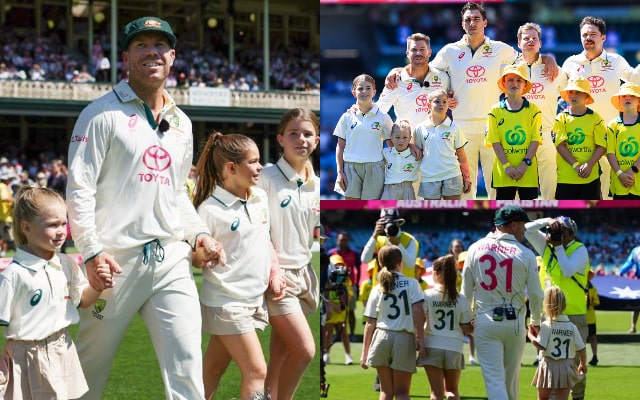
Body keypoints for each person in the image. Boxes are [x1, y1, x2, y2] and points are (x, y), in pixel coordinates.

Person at [66, 16, 226, 399]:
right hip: (113, 264)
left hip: (171, 259)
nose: (152, 52)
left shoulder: (182, 123)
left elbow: (176, 197)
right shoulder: (100, 113)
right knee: (87, 370)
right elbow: (79, 188)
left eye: (160, 45)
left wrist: (199, 233)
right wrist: (91, 252)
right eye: (142, 45)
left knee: (187, 367)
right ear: (125, 57)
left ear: (172, 57)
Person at [387, 2, 558, 199]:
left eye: (477, 18)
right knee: (465, 188)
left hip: (493, 127)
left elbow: (527, 57)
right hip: (462, 128)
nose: (472, 23)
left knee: (499, 188)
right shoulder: (450, 51)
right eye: (468, 19)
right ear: (462, 24)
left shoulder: (500, 49)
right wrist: (397, 70)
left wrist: (547, 58)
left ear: (485, 22)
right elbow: (423, 69)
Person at [192, 132, 286, 400]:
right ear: (232, 168)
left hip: (253, 300)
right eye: (254, 162)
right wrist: (202, 256)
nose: (261, 167)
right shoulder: (209, 209)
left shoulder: (258, 198)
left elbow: (264, 239)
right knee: (257, 370)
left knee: (212, 368)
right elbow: (194, 256)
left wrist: (274, 272)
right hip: (226, 302)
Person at [0, 187, 110, 399]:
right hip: (27, 356)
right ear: (26, 228)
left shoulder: (66, 264)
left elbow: (82, 300)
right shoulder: (13, 275)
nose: (61, 231)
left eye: (63, 223)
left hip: (63, 347)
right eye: (52, 225)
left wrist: (98, 285)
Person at [257, 108, 320, 400]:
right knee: (305, 351)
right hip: (276, 278)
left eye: (307, 134)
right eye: (293, 133)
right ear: (280, 139)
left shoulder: (318, 184)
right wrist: (273, 270)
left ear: (317, 141)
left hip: (304, 275)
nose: (301, 139)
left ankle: (265, 396)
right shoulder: (266, 177)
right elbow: (258, 231)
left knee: (281, 352)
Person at [462, 205, 544, 400]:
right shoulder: (526, 254)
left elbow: (465, 291)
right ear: (513, 225)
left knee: (494, 381)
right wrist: (536, 321)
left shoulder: (474, 248)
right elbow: (536, 294)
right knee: (510, 382)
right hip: (515, 322)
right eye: (523, 225)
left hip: (486, 320)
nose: (525, 230)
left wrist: (465, 319)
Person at [562, 16, 640, 200]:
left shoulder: (616, 61)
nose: (588, 38)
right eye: (584, 34)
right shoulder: (570, 63)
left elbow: (635, 79)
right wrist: (547, 59)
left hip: (611, 137)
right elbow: (558, 90)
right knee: (581, 195)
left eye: (593, 34)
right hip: (581, 140)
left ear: (603, 38)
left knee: (609, 193)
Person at [524, 216, 590, 400]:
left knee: (574, 366)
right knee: (550, 363)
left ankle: (578, 397)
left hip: (573, 315)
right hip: (550, 316)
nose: (552, 233)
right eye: (553, 229)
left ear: (569, 234)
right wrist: (547, 220)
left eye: (559, 230)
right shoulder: (547, 246)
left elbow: (567, 270)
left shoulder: (580, 249)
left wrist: (559, 246)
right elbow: (527, 230)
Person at [361, 245, 426, 400]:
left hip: (381, 337)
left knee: (385, 392)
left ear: (380, 263)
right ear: (400, 261)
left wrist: (364, 353)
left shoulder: (377, 288)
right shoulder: (412, 283)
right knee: (402, 393)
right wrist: (421, 338)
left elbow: (370, 321)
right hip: (403, 338)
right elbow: (418, 311)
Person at [516, 22, 569, 200]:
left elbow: (572, 95)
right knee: (517, 191)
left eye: (534, 38)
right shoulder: (509, 69)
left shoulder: (555, 70)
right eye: (526, 38)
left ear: (540, 43)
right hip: (517, 136)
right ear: (518, 43)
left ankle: (550, 222)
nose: (530, 41)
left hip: (546, 134)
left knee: (550, 190)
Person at [418, 254, 473, 400]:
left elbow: (419, 321)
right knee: (452, 391)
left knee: (436, 393)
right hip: (454, 347)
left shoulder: (427, 295)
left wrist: (419, 342)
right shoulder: (461, 299)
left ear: (435, 274)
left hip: (432, 345)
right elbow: (467, 328)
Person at [485, 64, 542, 200]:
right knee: (505, 213)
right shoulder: (494, 111)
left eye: (519, 80)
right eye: (510, 80)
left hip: (528, 172)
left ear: (524, 84)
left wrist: (524, 164)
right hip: (503, 172)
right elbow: (494, 140)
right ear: (504, 83)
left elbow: (536, 139)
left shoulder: (534, 109)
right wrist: (507, 166)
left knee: (529, 212)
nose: (514, 83)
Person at [377, 32, 452, 131]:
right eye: (414, 50)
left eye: (422, 49)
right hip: (407, 143)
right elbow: (378, 111)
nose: (418, 53)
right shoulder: (396, 80)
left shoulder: (442, 78)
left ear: (429, 52)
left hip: (434, 143)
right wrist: (360, 111)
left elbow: (455, 100)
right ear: (407, 53)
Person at [334, 73, 393, 199]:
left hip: (375, 167)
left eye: (368, 88)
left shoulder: (383, 117)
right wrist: (340, 172)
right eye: (360, 88)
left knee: (370, 208)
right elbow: (340, 146)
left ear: (374, 91)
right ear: (354, 92)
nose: (364, 91)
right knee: (351, 207)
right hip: (350, 167)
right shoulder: (346, 117)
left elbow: (392, 147)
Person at [528, 286, 587, 400]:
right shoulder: (572, 327)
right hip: (566, 365)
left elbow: (539, 345)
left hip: (549, 365)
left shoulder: (547, 325)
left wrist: (530, 335)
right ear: (564, 304)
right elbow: (581, 348)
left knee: (543, 398)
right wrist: (582, 364)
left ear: (546, 304)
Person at [553, 76, 606, 199]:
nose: (573, 95)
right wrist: (575, 165)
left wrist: (589, 164)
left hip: (591, 176)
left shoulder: (595, 118)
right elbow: (560, 145)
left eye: (578, 92)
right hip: (566, 177)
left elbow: (602, 145)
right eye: (570, 92)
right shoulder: (560, 118)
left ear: (586, 96)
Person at [414, 89, 471, 199]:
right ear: (428, 105)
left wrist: (467, 177)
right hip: (429, 178)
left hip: (452, 176)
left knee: (453, 214)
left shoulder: (455, 127)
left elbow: (461, 154)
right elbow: (417, 154)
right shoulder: (420, 128)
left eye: (444, 101)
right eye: (437, 101)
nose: (441, 104)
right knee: (433, 214)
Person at [361, 208, 419, 286]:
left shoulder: (410, 239)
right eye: (386, 223)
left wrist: (395, 242)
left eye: (393, 222)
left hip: (404, 287)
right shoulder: (378, 239)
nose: (390, 226)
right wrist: (374, 236)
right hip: (382, 287)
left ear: (399, 222)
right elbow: (365, 259)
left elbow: (410, 264)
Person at [606, 82, 640, 199]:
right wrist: (620, 174)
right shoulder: (612, 125)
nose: (628, 98)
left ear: (639, 101)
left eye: (633, 95)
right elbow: (610, 152)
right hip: (619, 182)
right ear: (619, 100)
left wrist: (633, 170)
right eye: (624, 96)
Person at [328, 231, 361, 342]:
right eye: (342, 239)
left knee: (350, 311)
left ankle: (351, 334)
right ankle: (334, 335)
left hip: (348, 286)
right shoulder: (331, 253)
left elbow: (358, 268)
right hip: (332, 287)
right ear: (337, 241)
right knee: (332, 311)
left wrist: (356, 284)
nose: (344, 242)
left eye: (346, 240)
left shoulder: (354, 253)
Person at [323, 254, 354, 366]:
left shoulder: (346, 280)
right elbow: (325, 294)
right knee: (328, 332)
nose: (338, 268)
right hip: (330, 309)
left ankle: (348, 355)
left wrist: (342, 303)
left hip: (341, 310)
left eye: (340, 265)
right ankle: (326, 354)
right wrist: (332, 305)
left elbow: (349, 294)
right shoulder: (327, 279)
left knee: (343, 333)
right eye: (336, 265)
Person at [381, 120, 419, 200]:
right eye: (397, 137)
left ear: (410, 138)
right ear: (391, 137)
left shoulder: (416, 155)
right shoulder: (385, 152)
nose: (401, 141)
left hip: (407, 190)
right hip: (389, 190)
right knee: (387, 212)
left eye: (405, 137)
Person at [618, 244, 640, 333]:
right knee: (636, 305)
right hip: (638, 280)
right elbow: (629, 263)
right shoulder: (637, 250)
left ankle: (633, 327)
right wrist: (621, 272)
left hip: (638, 281)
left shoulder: (637, 250)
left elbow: (629, 263)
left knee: (636, 305)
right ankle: (633, 326)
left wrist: (621, 272)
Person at [586, 269, 599, 366]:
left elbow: (597, 302)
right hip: (579, 315)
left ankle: (595, 356)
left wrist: (589, 302)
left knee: (592, 337)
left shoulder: (592, 288)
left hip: (590, 317)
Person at [0, 170, 15, 257]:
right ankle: (2, 253)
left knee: (4, 236)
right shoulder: (3, 186)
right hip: (5, 217)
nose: (11, 180)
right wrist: (14, 200)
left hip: (4, 216)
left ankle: (2, 253)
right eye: (10, 178)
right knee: (5, 236)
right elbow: (3, 198)